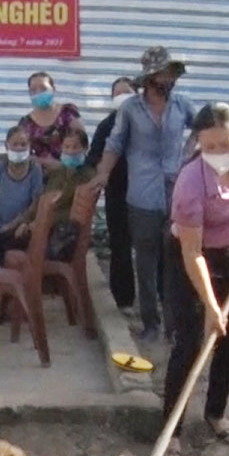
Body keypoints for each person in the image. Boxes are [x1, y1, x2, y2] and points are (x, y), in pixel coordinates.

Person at [165, 103, 229, 451]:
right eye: (208, 147)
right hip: (193, 258)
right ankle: (172, 430)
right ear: (198, 144)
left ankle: (215, 412)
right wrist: (210, 304)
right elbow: (192, 253)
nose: (217, 153)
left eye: (225, 145)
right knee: (190, 344)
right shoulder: (190, 182)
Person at [94, 46, 199, 344]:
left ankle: (176, 324)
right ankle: (150, 324)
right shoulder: (130, 110)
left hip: (177, 192)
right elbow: (114, 145)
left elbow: (205, 127)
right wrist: (102, 174)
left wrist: (191, 149)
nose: (169, 79)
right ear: (151, 78)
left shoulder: (182, 106)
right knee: (146, 259)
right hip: (141, 193)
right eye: (163, 74)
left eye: (172, 74)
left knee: (177, 258)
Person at [87, 77, 137, 308]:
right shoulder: (106, 126)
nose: (121, 97)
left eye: (126, 92)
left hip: (147, 192)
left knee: (154, 246)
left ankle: (158, 297)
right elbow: (94, 158)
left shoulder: (147, 122)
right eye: (116, 94)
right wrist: (103, 172)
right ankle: (124, 299)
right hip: (117, 191)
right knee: (120, 245)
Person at [0, 125, 45, 266]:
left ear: (29, 146)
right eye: (15, 144)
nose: (19, 148)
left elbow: (35, 204)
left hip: (21, 225)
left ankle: (4, 278)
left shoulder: (35, 169)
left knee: (7, 242)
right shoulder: (0, 167)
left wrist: (14, 224)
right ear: (7, 145)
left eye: (23, 144)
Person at [19, 71, 83, 171]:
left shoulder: (68, 112)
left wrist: (63, 166)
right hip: (40, 177)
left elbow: (82, 141)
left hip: (71, 173)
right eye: (33, 90)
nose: (38, 93)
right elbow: (24, 153)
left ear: (53, 89)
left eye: (43, 88)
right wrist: (44, 162)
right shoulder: (26, 123)